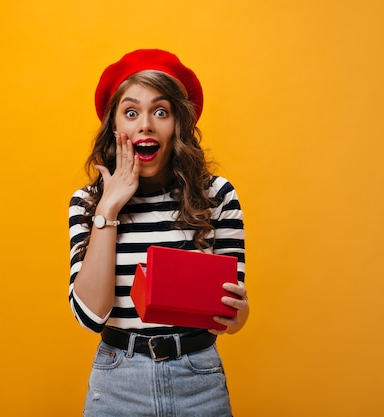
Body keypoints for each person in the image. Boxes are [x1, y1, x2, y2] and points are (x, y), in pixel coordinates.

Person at [68, 49, 249, 417]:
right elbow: (90, 316)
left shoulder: (217, 195)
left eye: (161, 112)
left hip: (198, 378)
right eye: (131, 112)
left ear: (177, 124)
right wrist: (108, 210)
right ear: (114, 127)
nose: (145, 125)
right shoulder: (88, 203)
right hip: (118, 382)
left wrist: (238, 313)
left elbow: (231, 315)